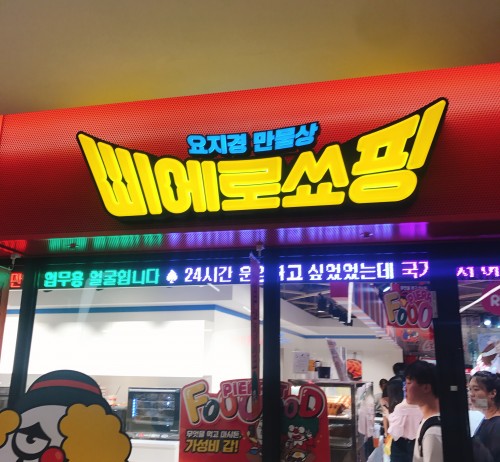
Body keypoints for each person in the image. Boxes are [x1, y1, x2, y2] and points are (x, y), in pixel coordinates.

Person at [404, 360, 443, 462]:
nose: (405, 388)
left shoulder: (433, 432)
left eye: (409, 383)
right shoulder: (429, 421)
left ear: (426, 387)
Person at [468, 371, 500, 461]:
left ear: (492, 393)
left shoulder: (497, 424)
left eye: (476, 389)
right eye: (469, 389)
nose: (471, 394)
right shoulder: (486, 419)